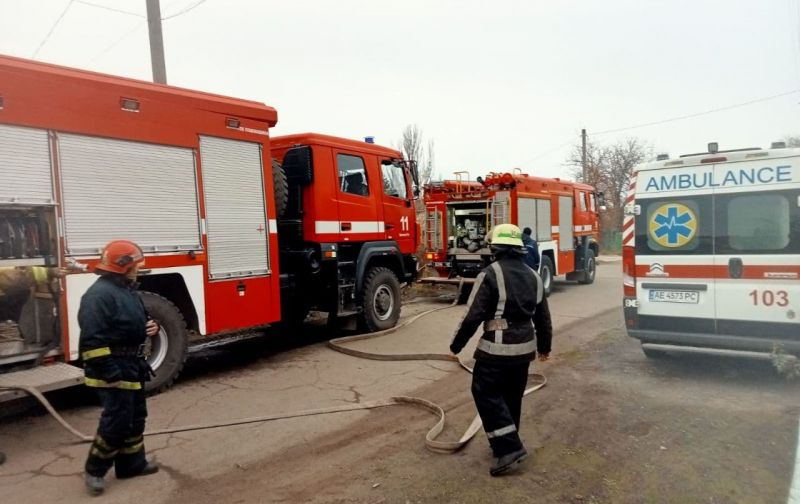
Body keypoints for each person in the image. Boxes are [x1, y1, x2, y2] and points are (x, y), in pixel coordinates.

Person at [449, 223, 553, 476]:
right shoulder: (534, 276)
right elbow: (543, 318)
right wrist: (544, 347)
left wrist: (457, 345)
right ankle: (506, 442)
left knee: (484, 391)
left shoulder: (490, 274)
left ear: (495, 248)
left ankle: (509, 448)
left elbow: (472, 315)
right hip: (524, 350)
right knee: (511, 396)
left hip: (496, 349)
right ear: (519, 248)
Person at [80, 240, 160, 495]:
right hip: (113, 368)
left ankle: (132, 465)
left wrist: (152, 326)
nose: (139, 268)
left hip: (131, 365)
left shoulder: (125, 290)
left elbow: (137, 319)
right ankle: (95, 470)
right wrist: (110, 373)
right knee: (117, 421)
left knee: (136, 417)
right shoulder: (98, 296)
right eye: (136, 264)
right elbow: (92, 341)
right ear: (124, 266)